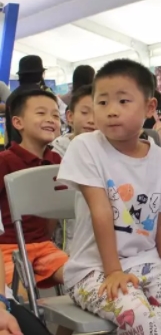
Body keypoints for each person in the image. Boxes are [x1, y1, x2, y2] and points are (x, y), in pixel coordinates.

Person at [57, 59, 161, 333]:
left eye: (123, 101)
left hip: (148, 264)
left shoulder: (160, 159)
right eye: (102, 102)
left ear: (150, 108)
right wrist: (114, 271)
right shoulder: (86, 147)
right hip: (93, 270)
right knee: (143, 317)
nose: (111, 111)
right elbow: (101, 211)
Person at [0, 89, 68, 291]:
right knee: (19, 297)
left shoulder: (56, 160)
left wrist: (45, 238)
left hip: (45, 247)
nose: (50, 119)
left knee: (83, 279)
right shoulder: (4, 161)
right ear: (18, 122)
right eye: (41, 113)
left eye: (55, 115)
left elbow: (55, 209)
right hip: (7, 249)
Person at [52, 85, 95, 253]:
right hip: (69, 242)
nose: (91, 120)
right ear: (70, 116)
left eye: (97, 113)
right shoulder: (56, 154)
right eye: (85, 113)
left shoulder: (111, 152)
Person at [5, 55, 67, 143]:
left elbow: (8, 129)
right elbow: (65, 116)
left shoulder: (12, 97)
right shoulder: (45, 96)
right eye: (41, 113)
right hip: (41, 146)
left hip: (15, 146)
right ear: (41, 74)